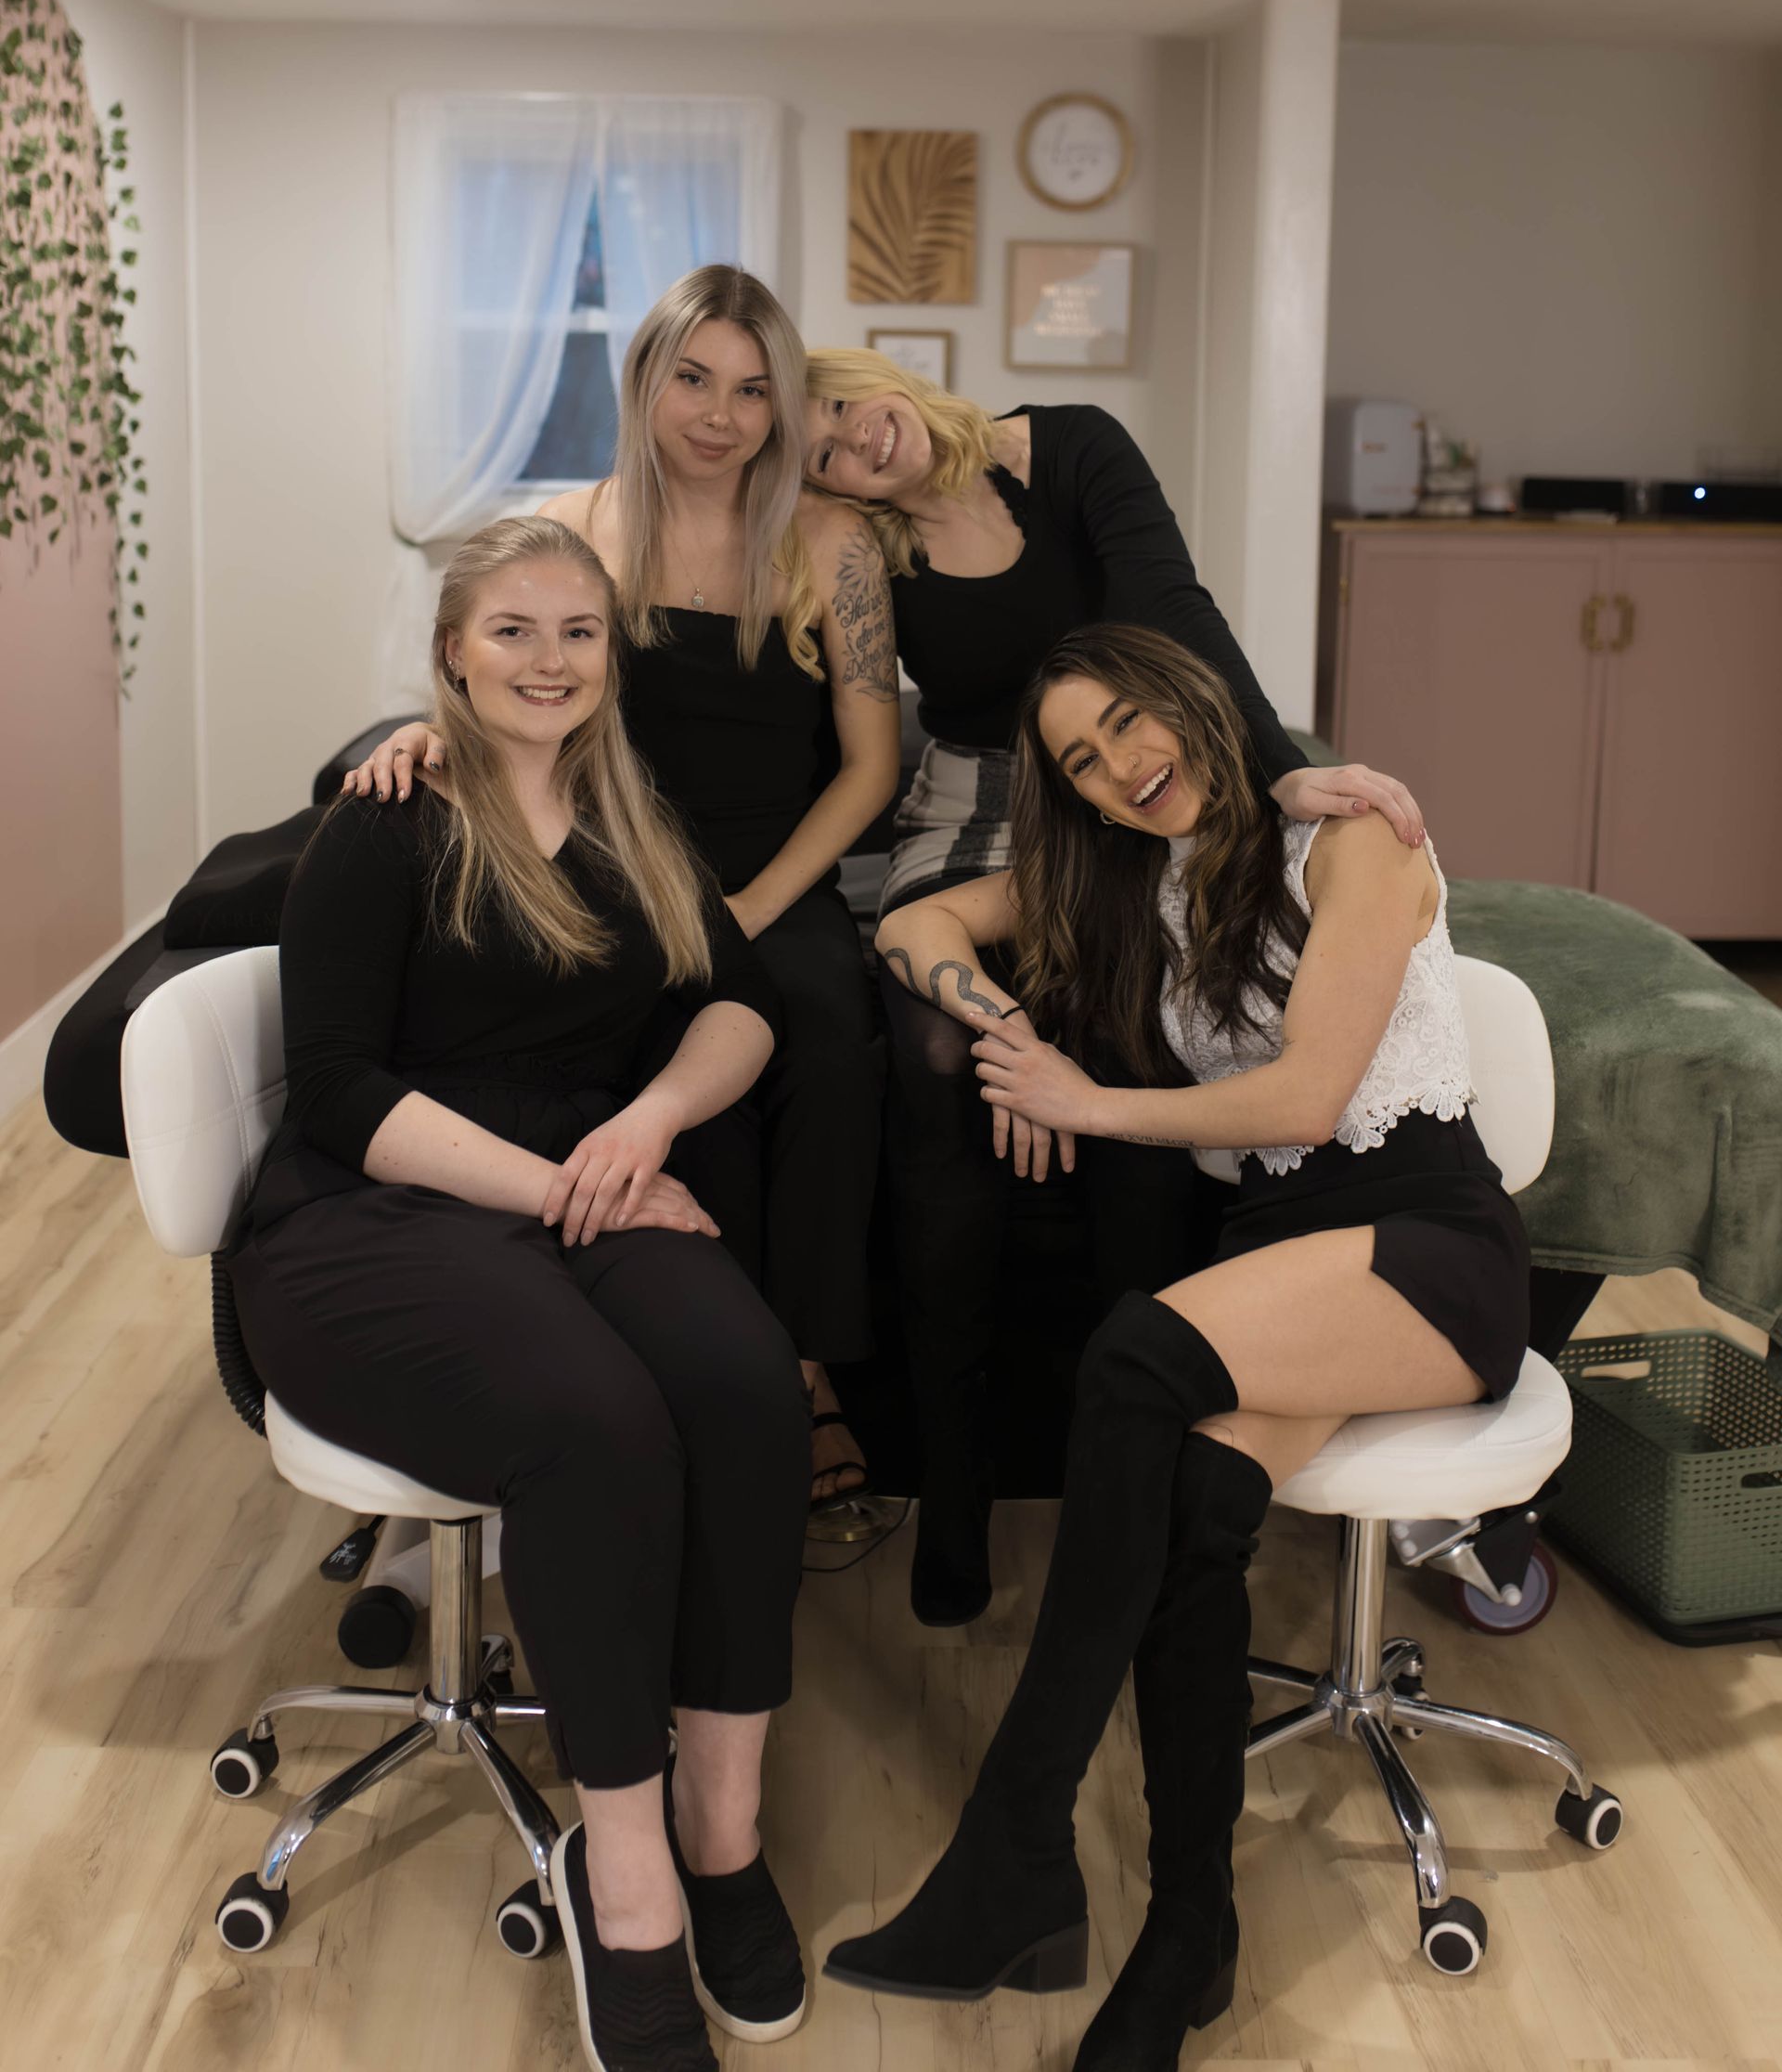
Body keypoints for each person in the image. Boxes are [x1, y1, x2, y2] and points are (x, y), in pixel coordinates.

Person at [823, 623, 1529, 2072]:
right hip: (1288, 1261)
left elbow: (1310, 1096)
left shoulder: (1351, 840)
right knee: (1195, 1515)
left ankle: (1014, 1847)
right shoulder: (1140, 876)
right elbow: (915, 928)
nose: (1121, 766)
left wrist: (1083, 1104)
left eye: (1132, 723)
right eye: (1081, 761)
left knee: (1131, 1360)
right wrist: (1003, 1014)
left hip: (1423, 1245)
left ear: (1194, 701)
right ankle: (1190, 1927)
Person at [232, 515, 812, 2072]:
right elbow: (343, 1091)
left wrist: (645, 1125)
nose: (549, 662)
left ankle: (724, 1827)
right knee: (597, 1425)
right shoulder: (389, 818)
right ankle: (628, 1890)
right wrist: (567, 1187)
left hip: (588, 1187)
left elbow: (740, 1010)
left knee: (753, 1391)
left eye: (578, 633)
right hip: (372, 1215)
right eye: (513, 633)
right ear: (451, 653)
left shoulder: (640, 819)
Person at [800, 349, 1426, 1621]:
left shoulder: (1071, 449)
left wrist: (1274, 770)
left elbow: (1171, 608)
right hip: (979, 800)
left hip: (1115, 798)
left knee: (1142, 1028)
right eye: (815, 451)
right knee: (930, 1053)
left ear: (885, 378)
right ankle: (957, 1489)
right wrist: (1011, 1027)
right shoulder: (861, 550)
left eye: (842, 410)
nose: (852, 445)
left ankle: (1118, 1483)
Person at [355, 270, 902, 1509]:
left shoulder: (834, 542)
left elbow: (869, 770)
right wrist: (425, 740)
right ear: (645, 381)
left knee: (824, 1043)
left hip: (779, 875)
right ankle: (706, 1364)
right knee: (666, 1071)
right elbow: (518, 676)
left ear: (785, 403)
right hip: (618, 869)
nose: (720, 415)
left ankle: (804, 1375)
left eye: (755, 390)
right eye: (693, 379)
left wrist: (752, 914)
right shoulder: (576, 529)